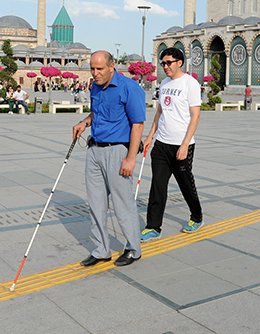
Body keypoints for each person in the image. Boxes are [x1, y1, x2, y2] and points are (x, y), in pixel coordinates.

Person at [72, 50, 145, 267]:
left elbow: (138, 124)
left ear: (112, 66)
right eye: (92, 69)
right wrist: (84, 122)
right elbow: (97, 111)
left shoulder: (129, 88)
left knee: (122, 202)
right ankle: (102, 249)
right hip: (95, 150)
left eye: (99, 69)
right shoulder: (95, 85)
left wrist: (131, 158)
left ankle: (133, 248)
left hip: (117, 151)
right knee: (95, 202)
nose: (95, 73)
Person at [140, 47, 204, 243]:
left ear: (179, 62)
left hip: (181, 145)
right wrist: (150, 136)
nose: (165, 66)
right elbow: (160, 111)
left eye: (169, 63)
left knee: (186, 184)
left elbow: (195, 116)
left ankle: (197, 216)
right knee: (157, 185)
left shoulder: (190, 84)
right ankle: (153, 227)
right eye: (163, 63)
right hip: (162, 144)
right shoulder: (165, 83)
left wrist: (185, 145)